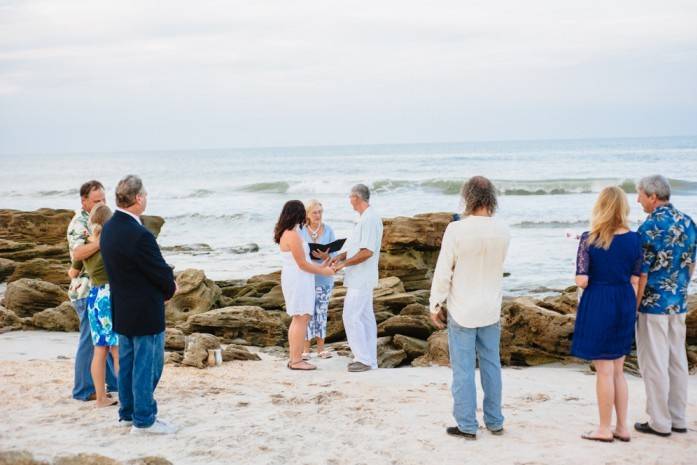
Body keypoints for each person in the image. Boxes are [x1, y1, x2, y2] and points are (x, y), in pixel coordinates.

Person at [429, 176, 510, 440]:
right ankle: (495, 421)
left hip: (463, 308)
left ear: (468, 197)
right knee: (491, 365)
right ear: (492, 199)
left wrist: (435, 303)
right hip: (490, 307)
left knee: (463, 369)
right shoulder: (502, 230)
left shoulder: (457, 230)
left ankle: (466, 424)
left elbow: (443, 272)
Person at [100, 175, 178, 434]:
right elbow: (158, 270)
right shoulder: (139, 234)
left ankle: (127, 414)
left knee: (128, 365)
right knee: (148, 366)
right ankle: (144, 420)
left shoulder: (109, 228)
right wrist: (171, 288)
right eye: (145, 194)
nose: (146, 198)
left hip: (122, 308)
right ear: (138, 198)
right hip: (144, 310)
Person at [571, 186, 642, 443]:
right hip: (624, 300)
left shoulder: (589, 239)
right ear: (623, 208)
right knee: (618, 370)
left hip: (599, 301)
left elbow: (581, 280)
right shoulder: (635, 239)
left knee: (603, 371)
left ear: (600, 207)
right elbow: (635, 279)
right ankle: (622, 427)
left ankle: (603, 428)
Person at [634, 175, 697, 437]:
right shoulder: (689, 223)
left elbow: (642, 275)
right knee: (677, 360)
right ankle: (678, 417)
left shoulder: (649, 228)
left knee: (654, 363)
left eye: (640, 195)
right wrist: (680, 290)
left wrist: (633, 307)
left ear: (652, 196)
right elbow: (691, 264)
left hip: (652, 305)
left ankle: (660, 422)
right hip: (678, 303)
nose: (637, 199)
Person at [66, 180, 117, 401]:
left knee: (104, 341)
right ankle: (84, 390)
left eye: (104, 200)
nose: (101, 204)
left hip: (99, 290)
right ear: (84, 201)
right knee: (92, 342)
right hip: (87, 291)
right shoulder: (80, 223)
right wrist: (102, 241)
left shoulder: (102, 219)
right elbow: (77, 254)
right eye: (96, 201)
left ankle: (114, 382)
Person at [274, 200, 335, 371]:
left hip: (299, 278)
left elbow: (304, 261)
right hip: (298, 280)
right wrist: (325, 272)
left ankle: (295, 358)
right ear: (298, 214)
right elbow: (301, 264)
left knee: (298, 318)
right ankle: (296, 360)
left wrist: (321, 266)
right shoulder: (292, 235)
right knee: (301, 318)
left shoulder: (290, 232)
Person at [331, 184, 383, 372]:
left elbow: (367, 251)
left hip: (362, 278)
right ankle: (370, 360)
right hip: (360, 277)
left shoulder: (369, 219)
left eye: (350, 197)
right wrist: (340, 256)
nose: (349, 200)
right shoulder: (364, 218)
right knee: (365, 317)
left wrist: (344, 264)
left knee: (351, 316)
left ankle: (363, 359)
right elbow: (356, 245)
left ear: (356, 198)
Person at [81, 204, 121, 408]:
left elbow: (73, 272)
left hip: (94, 296)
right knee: (116, 349)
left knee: (99, 350)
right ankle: (126, 395)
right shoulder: (109, 244)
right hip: (110, 295)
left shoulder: (86, 247)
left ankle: (100, 398)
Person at [299, 199, 337, 359]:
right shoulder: (300, 231)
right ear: (307, 214)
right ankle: (306, 350)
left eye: (320, 212)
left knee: (321, 312)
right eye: (314, 212)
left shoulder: (328, 230)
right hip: (306, 278)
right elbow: (297, 254)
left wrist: (325, 255)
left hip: (324, 279)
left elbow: (334, 256)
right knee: (306, 313)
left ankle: (321, 349)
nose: (318, 215)